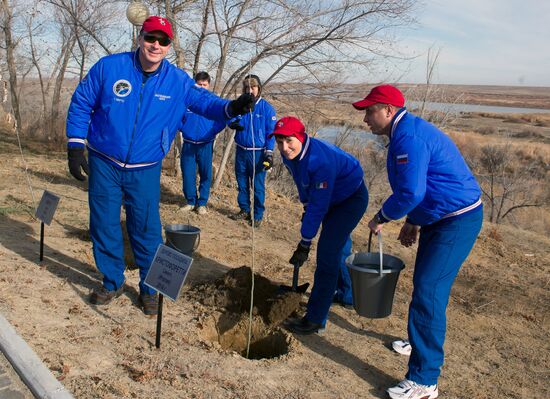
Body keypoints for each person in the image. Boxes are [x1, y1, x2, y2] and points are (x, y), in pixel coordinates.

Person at [65, 16, 254, 315]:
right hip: (105, 161)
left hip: (145, 167)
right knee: (103, 223)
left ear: (169, 46)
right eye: (151, 38)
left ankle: (149, 288)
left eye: (163, 40)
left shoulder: (177, 81)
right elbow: (81, 102)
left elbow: (206, 103)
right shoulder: (109, 67)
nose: (156, 45)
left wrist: (231, 107)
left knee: (146, 228)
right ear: (140, 38)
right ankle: (111, 281)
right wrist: (75, 144)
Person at [353, 84, 483, 399]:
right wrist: (414, 220)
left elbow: (412, 192)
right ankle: (419, 339)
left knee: (429, 290)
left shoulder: (408, 137)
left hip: (456, 220)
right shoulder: (404, 132)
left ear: (388, 110)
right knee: (426, 287)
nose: (365, 119)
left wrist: (383, 217)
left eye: (370, 111)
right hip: (439, 217)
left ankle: (424, 381)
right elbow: (425, 184)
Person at [271, 116, 369, 334]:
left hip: (350, 199)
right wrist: (306, 204)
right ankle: (347, 295)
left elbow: (319, 205)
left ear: (301, 136)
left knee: (327, 255)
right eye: (279, 142)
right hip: (332, 197)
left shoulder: (319, 161)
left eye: (289, 141)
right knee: (339, 248)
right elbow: (304, 186)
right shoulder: (292, 155)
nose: (284, 148)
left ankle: (315, 318)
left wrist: (305, 243)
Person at [228, 74, 277, 228]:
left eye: (253, 87)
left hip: (257, 153)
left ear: (259, 88)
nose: (250, 90)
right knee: (242, 183)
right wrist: (232, 123)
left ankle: (257, 215)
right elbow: (229, 116)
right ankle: (244, 209)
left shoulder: (266, 108)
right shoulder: (240, 104)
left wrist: (269, 154)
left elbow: (271, 133)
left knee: (257, 186)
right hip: (241, 150)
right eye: (247, 87)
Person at [179, 71, 227, 215]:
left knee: (206, 174)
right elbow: (177, 118)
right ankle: (190, 201)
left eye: (204, 85)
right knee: (188, 173)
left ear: (208, 85)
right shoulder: (187, 100)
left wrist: (212, 132)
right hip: (188, 143)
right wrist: (184, 129)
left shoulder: (213, 101)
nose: (201, 87)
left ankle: (202, 204)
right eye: (199, 84)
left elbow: (222, 120)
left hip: (206, 143)